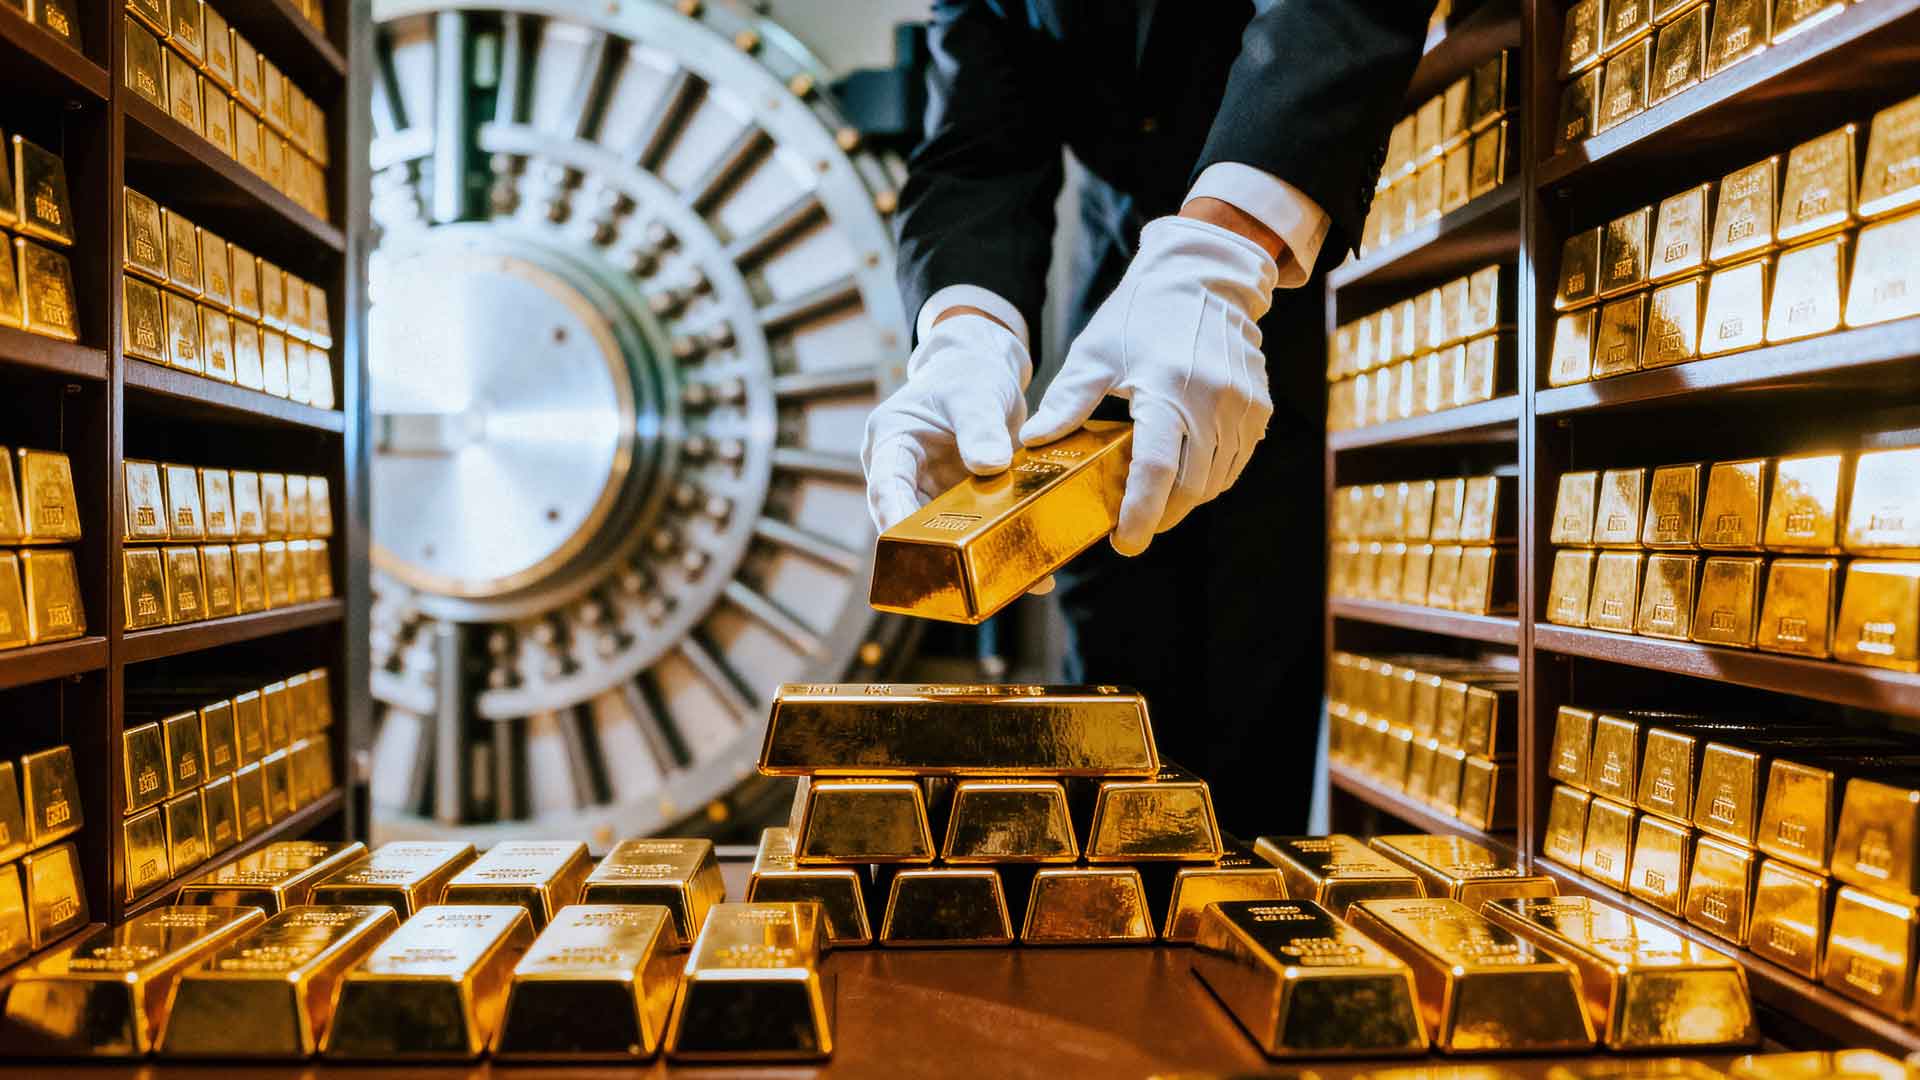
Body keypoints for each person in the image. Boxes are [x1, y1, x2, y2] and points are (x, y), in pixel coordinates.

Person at [861, 1, 1437, 835]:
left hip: (1273, 280)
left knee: (1260, 665)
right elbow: (977, 148)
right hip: (1109, 297)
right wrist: (962, 334)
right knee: (1109, 697)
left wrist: (1223, 250)